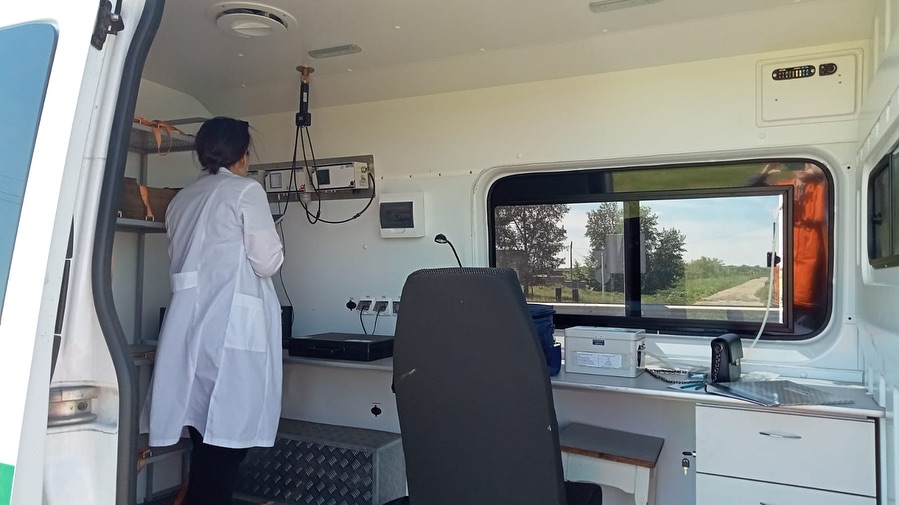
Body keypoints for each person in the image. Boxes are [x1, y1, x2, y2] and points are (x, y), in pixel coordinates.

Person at [147, 116, 285, 505]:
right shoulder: (246, 191)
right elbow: (267, 262)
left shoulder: (182, 199)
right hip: (230, 329)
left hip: (189, 328)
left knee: (204, 441)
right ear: (243, 155)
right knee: (224, 449)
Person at [751, 162, 828, 330]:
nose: (802, 167)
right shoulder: (784, 186)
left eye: (806, 163)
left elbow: (839, 189)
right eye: (797, 163)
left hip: (813, 287)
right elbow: (751, 193)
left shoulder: (822, 187)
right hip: (784, 284)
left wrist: (822, 172)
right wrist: (765, 172)